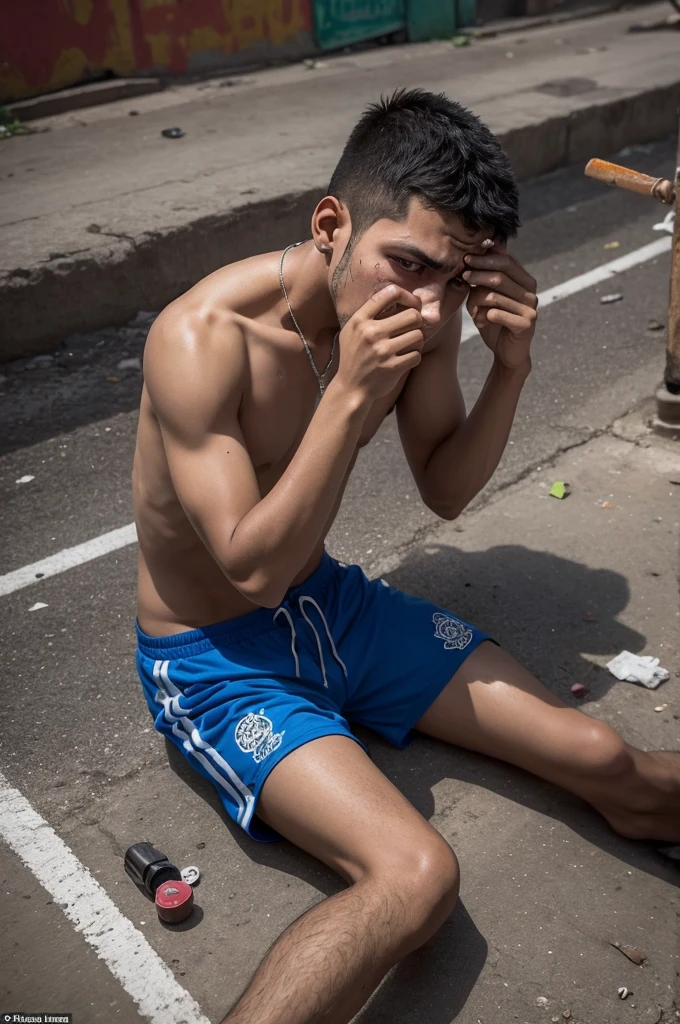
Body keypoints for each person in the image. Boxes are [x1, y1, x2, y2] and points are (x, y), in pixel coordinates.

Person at [132, 88, 679, 1024]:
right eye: (409, 265)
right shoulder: (201, 339)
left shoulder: (421, 303)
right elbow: (250, 571)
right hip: (218, 659)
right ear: (332, 224)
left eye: (453, 282)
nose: (427, 309)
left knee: (605, 760)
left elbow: (446, 487)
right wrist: (348, 397)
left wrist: (511, 368)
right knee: (416, 876)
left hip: (338, 609)